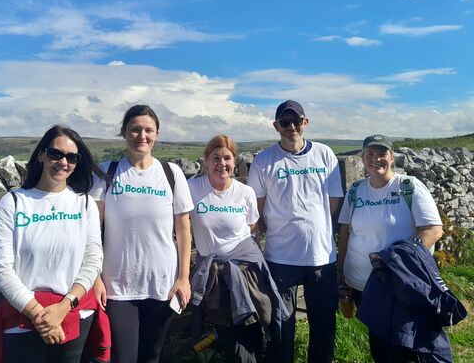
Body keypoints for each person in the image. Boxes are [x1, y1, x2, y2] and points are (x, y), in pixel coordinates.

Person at [0, 125, 108, 363]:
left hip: (74, 316)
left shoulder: (84, 203)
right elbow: (1, 270)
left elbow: (92, 259)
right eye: (56, 154)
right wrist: (41, 316)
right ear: (41, 155)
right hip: (23, 320)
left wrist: (63, 307)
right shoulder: (14, 203)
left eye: (72, 157)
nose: (63, 162)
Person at [90, 104, 194, 363]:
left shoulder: (171, 174)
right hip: (117, 285)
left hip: (162, 284)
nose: (142, 136)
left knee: (152, 356)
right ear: (124, 132)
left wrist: (184, 278)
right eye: (135, 130)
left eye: (148, 130)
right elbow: (90, 230)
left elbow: (183, 229)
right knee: (123, 358)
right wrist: (95, 278)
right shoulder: (107, 172)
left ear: (157, 134)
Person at [247, 100, 344, 363]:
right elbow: (258, 208)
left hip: (321, 256)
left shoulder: (324, 154)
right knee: (281, 326)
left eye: (296, 121)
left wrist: (313, 224)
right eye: (285, 122)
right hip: (280, 258)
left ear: (305, 122)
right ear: (276, 126)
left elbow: (332, 202)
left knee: (323, 326)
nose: (291, 127)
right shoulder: (263, 161)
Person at [337, 134, 443, 362]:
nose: (376, 159)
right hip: (363, 284)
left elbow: (433, 230)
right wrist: (341, 271)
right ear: (363, 158)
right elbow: (345, 233)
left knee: (405, 345)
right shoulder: (356, 191)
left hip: (401, 284)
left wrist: (398, 261)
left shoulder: (409, 187)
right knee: (379, 343)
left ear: (392, 157)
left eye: (382, 154)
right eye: (370, 154)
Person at [189, 135, 290, 363]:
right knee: (233, 343)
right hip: (216, 278)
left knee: (259, 330)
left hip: (249, 273)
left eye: (227, 158)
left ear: (234, 161)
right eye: (215, 158)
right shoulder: (192, 188)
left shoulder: (245, 192)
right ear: (206, 160)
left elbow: (252, 227)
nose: (221, 164)